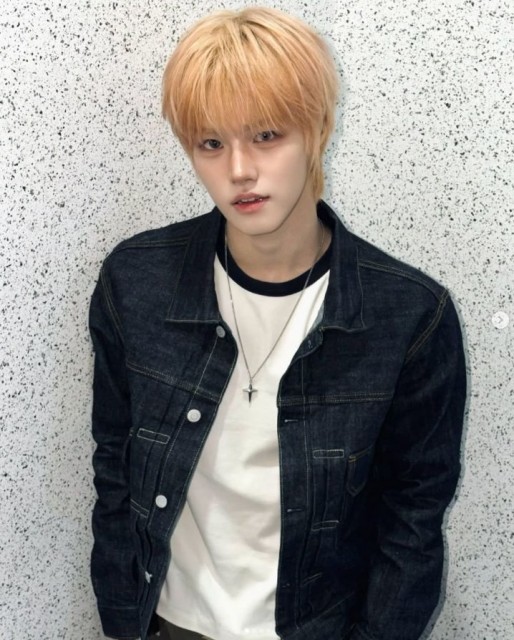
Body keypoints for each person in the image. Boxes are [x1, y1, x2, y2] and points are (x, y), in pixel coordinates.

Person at [89, 7, 466, 640]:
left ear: (317, 130)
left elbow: (412, 520)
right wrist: (122, 614)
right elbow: (114, 465)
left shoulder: (407, 316)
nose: (239, 170)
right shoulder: (136, 282)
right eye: (211, 143)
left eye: (266, 135)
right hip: (166, 623)